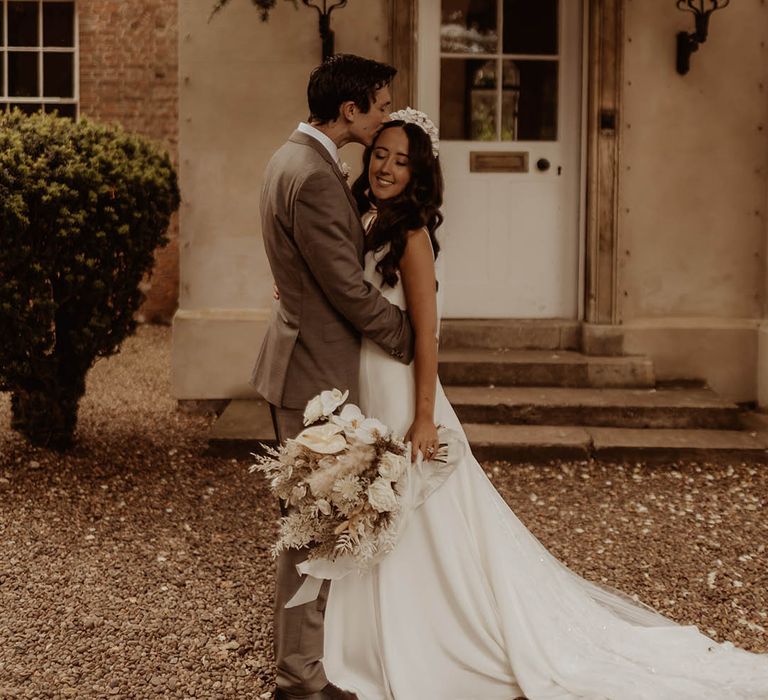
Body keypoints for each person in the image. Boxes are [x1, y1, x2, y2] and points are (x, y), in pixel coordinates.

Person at [319, 110, 768, 698]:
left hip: (402, 389)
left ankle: (427, 632)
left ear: (419, 175)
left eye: (402, 162)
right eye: (381, 153)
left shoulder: (410, 235)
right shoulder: (362, 214)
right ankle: (365, 635)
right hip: (366, 381)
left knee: (417, 510)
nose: (386, 167)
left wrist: (425, 415)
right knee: (376, 501)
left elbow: (427, 333)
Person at [252, 55, 415, 700]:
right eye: (378, 105)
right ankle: (299, 678)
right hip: (313, 370)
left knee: (308, 519)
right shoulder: (316, 176)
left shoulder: (289, 159)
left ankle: (303, 657)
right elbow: (347, 288)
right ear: (350, 110)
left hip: (297, 357)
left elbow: (310, 267)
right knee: (312, 525)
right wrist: (407, 336)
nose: (383, 118)